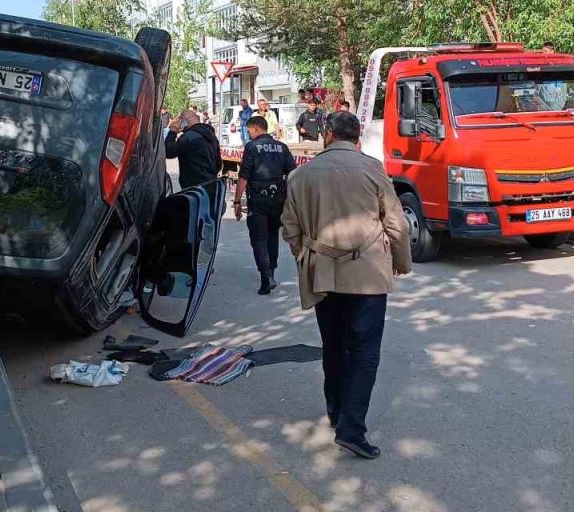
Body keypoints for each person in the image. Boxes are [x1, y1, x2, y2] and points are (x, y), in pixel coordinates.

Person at [281, 111, 411, 460]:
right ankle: (352, 429)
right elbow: (396, 224)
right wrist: (400, 262)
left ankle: (336, 411)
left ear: (327, 135)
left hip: (322, 273)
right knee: (365, 351)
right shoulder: (372, 169)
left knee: (334, 345)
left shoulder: (301, 174)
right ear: (357, 138)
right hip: (368, 274)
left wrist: (307, 256)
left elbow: (290, 228)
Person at [234, 116, 297, 295]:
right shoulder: (282, 147)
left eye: (249, 131)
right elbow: (293, 173)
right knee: (272, 235)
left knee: (259, 238)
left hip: (258, 199)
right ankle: (272, 272)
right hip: (278, 199)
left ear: (255, 128)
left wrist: (237, 201)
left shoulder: (251, 147)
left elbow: (244, 176)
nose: (248, 134)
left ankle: (265, 276)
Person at [165, 109, 221, 191]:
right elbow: (219, 163)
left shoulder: (188, 137)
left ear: (185, 122)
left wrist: (172, 132)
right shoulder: (212, 136)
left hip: (194, 189)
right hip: (212, 185)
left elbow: (169, 151)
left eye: (181, 121)